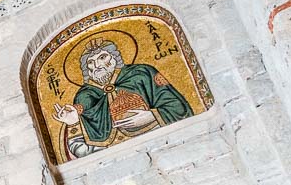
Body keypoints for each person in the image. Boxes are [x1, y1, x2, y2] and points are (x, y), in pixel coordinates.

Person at [53, 38, 194, 157]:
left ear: (115, 57)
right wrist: (73, 124)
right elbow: (82, 151)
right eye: (91, 62)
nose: (97, 65)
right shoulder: (84, 96)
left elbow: (180, 108)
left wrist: (152, 116)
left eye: (102, 57)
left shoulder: (141, 73)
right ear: (87, 69)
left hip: (162, 140)